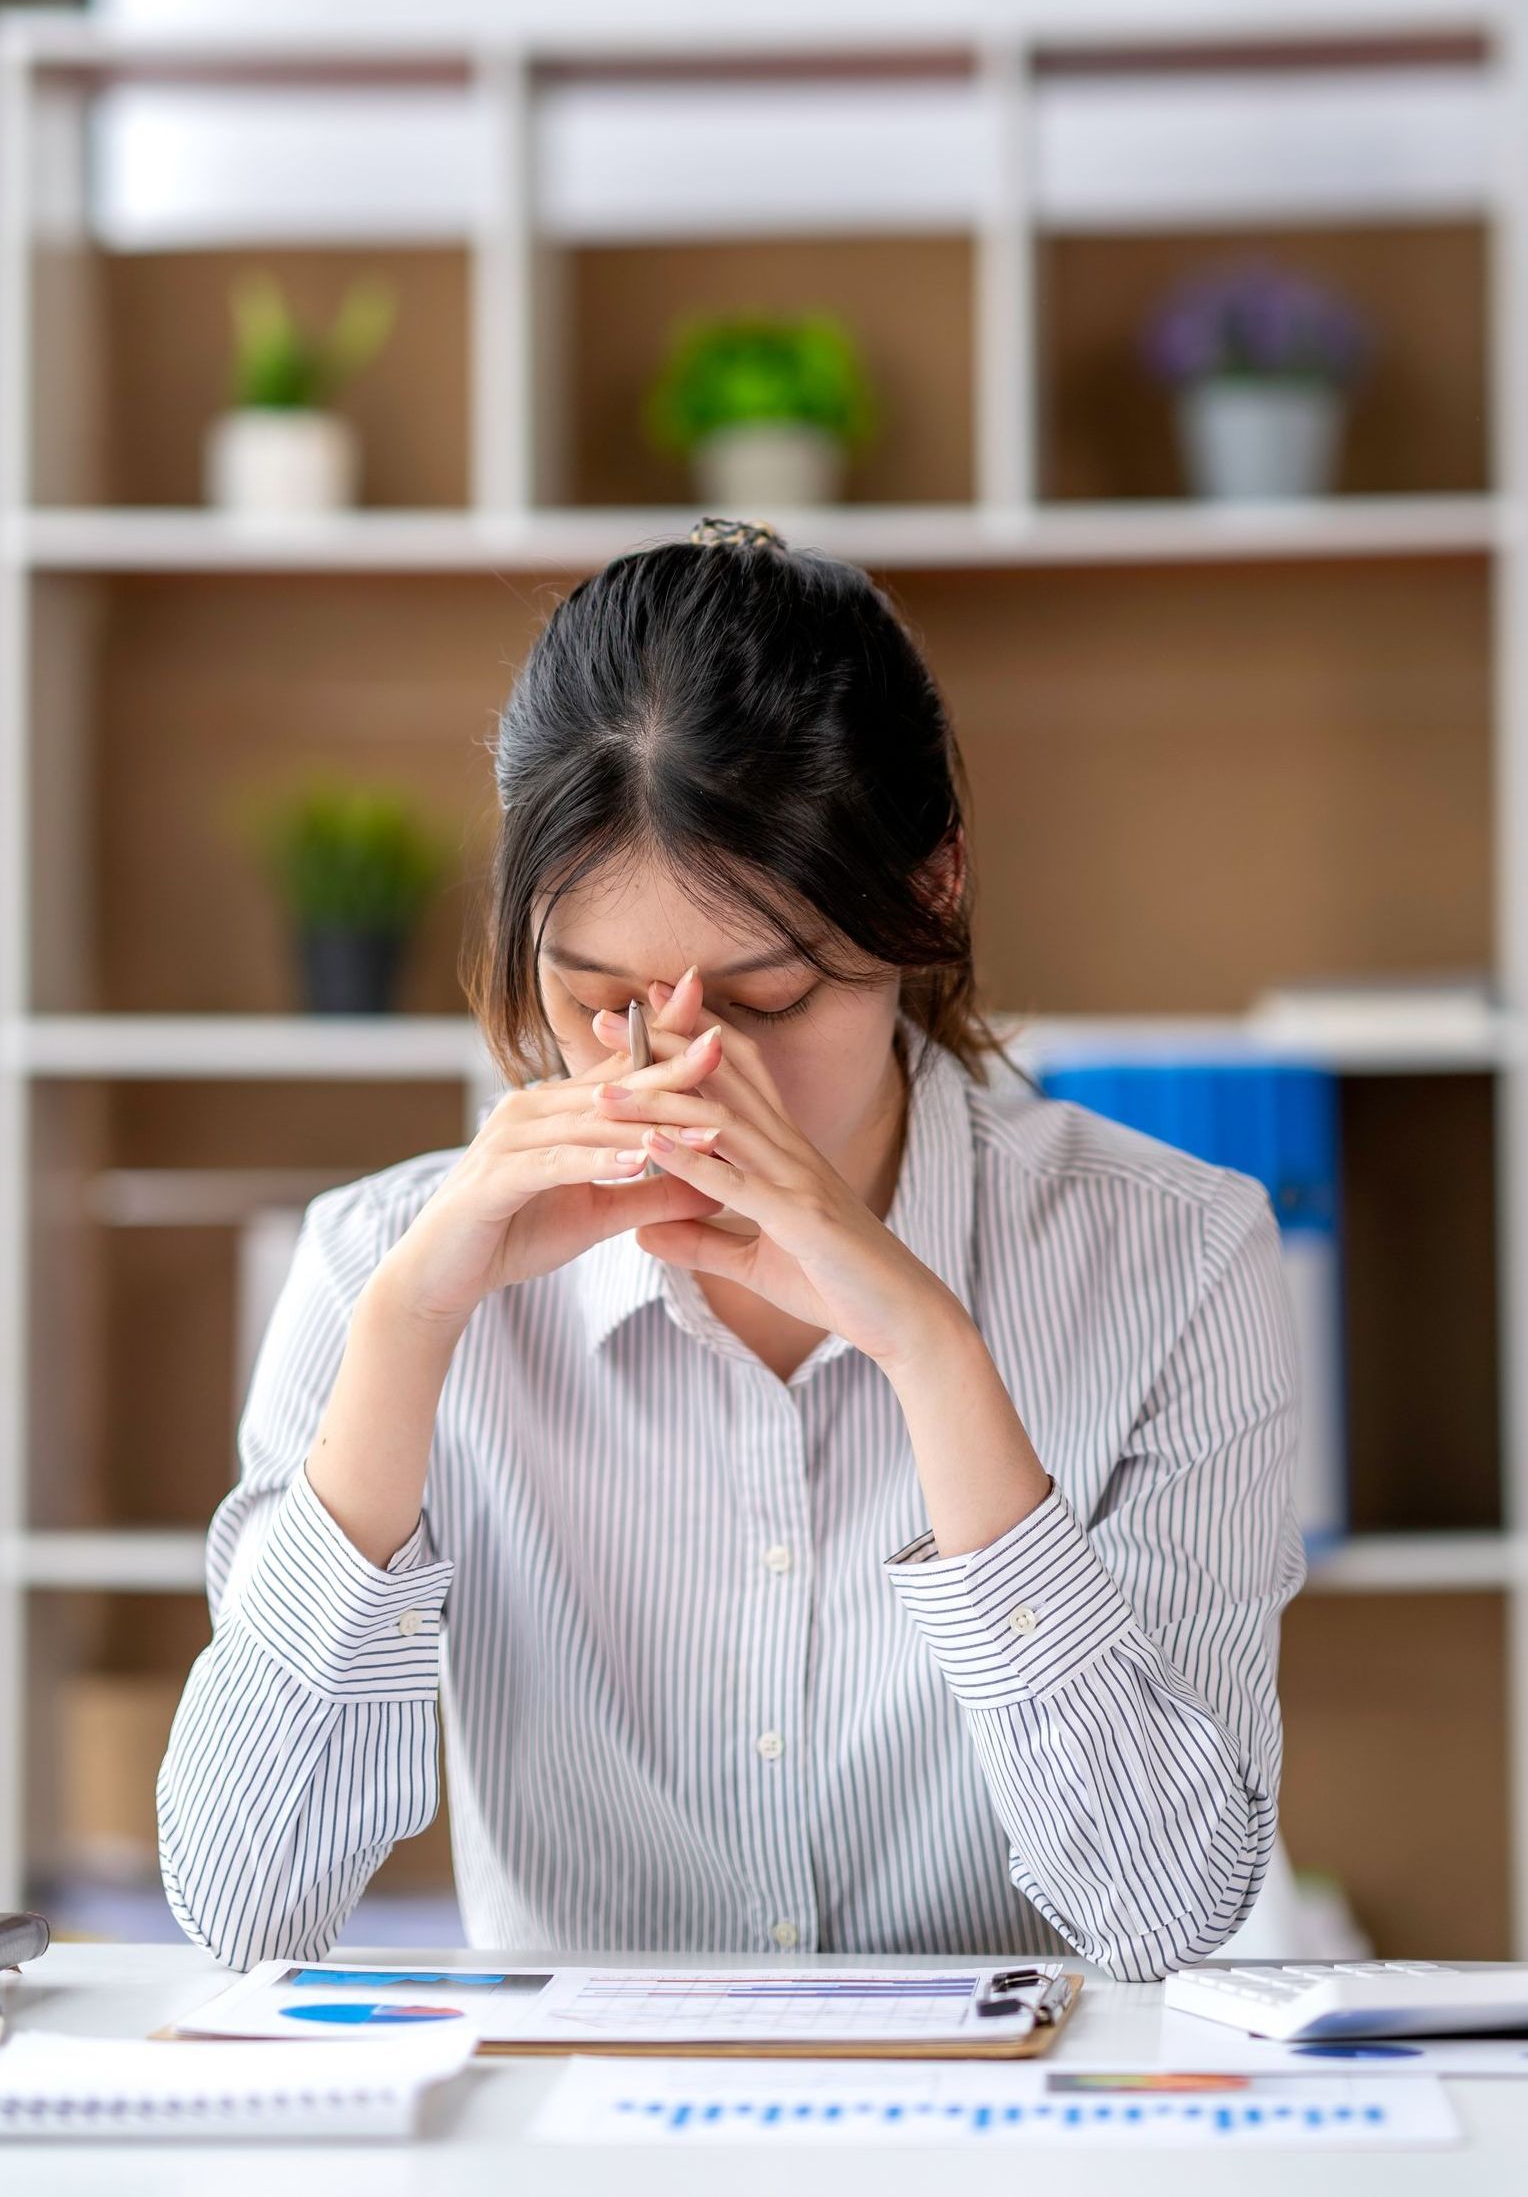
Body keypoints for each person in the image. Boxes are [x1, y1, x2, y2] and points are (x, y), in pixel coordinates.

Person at [157, 518, 1304, 1979]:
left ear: (931, 890)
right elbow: (245, 1911)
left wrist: (933, 1353)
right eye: (599, 1006)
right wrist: (400, 1343)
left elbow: (1163, 1917)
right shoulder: (378, 1267)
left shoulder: (1177, 1261)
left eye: (764, 1004)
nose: (690, 1078)